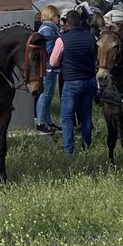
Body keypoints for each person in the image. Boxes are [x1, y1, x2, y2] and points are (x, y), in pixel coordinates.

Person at [47, 10, 97, 156]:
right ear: (80, 22)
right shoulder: (91, 38)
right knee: (86, 115)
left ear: (67, 24)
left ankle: (69, 151)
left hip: (71, 81)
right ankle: (86, 146)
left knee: (67, 117)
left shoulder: (62, 40)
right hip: (89, 80)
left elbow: (53, 61)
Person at [32, 5, 61, 133]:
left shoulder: (45, 28)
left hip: (48, 67)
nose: (59, 18)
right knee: (45, 94)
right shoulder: (49, 29)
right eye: (57, 16)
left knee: (48, 95)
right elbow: (48, 49)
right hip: (48, 67)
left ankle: (48, 120)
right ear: (51, 16)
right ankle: (41, 122)